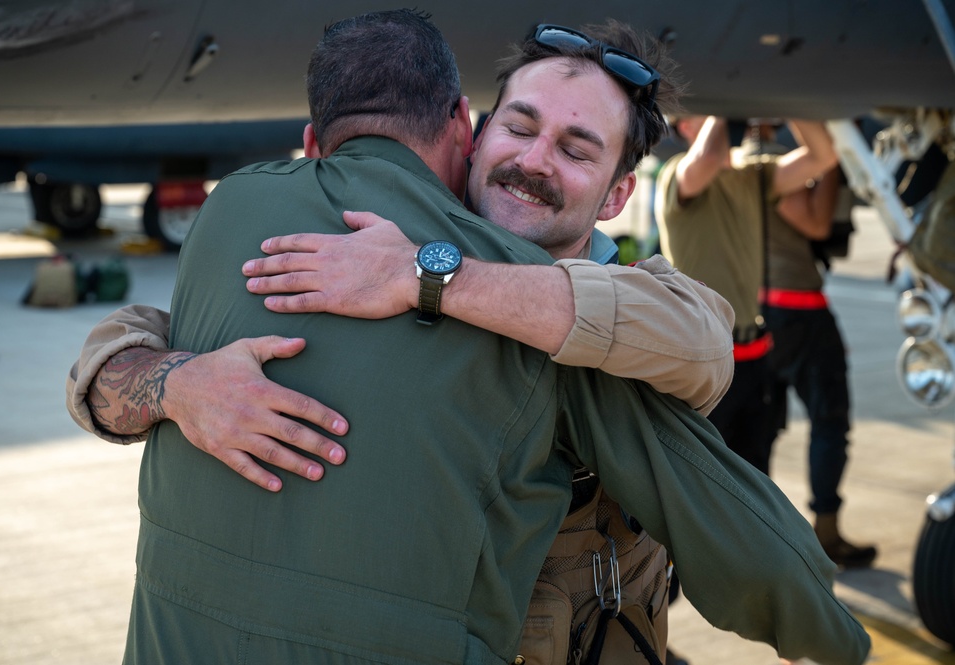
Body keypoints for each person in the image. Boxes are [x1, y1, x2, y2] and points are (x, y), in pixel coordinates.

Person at [68, 12, 869, 665]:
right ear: (472, 132)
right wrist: (174, 382)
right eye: (518, 126)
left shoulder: (622, 299)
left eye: (575, 148)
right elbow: (133, 339)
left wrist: (430, 275)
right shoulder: (346, 251)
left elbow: (700, 343)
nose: (532, 160)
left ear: (619, 193)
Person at [655, 116, 839, 475]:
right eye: (701, 116)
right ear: (684, 128)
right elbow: (707, 159)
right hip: (704, 356)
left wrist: (791, 103)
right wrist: (723, 103)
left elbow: (822, 157)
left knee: (754, 475)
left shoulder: (753, 177)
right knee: (705, 477)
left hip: (752, 354)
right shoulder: (676, 174)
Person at [767, 166, 878, 567]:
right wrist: (829, 167)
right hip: (798, 307)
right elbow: (816, 225)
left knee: (761, 427)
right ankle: (826, 531)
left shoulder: (728, 164)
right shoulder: (778, 165)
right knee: (829, 422)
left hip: (751, 308)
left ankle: (759, 535)